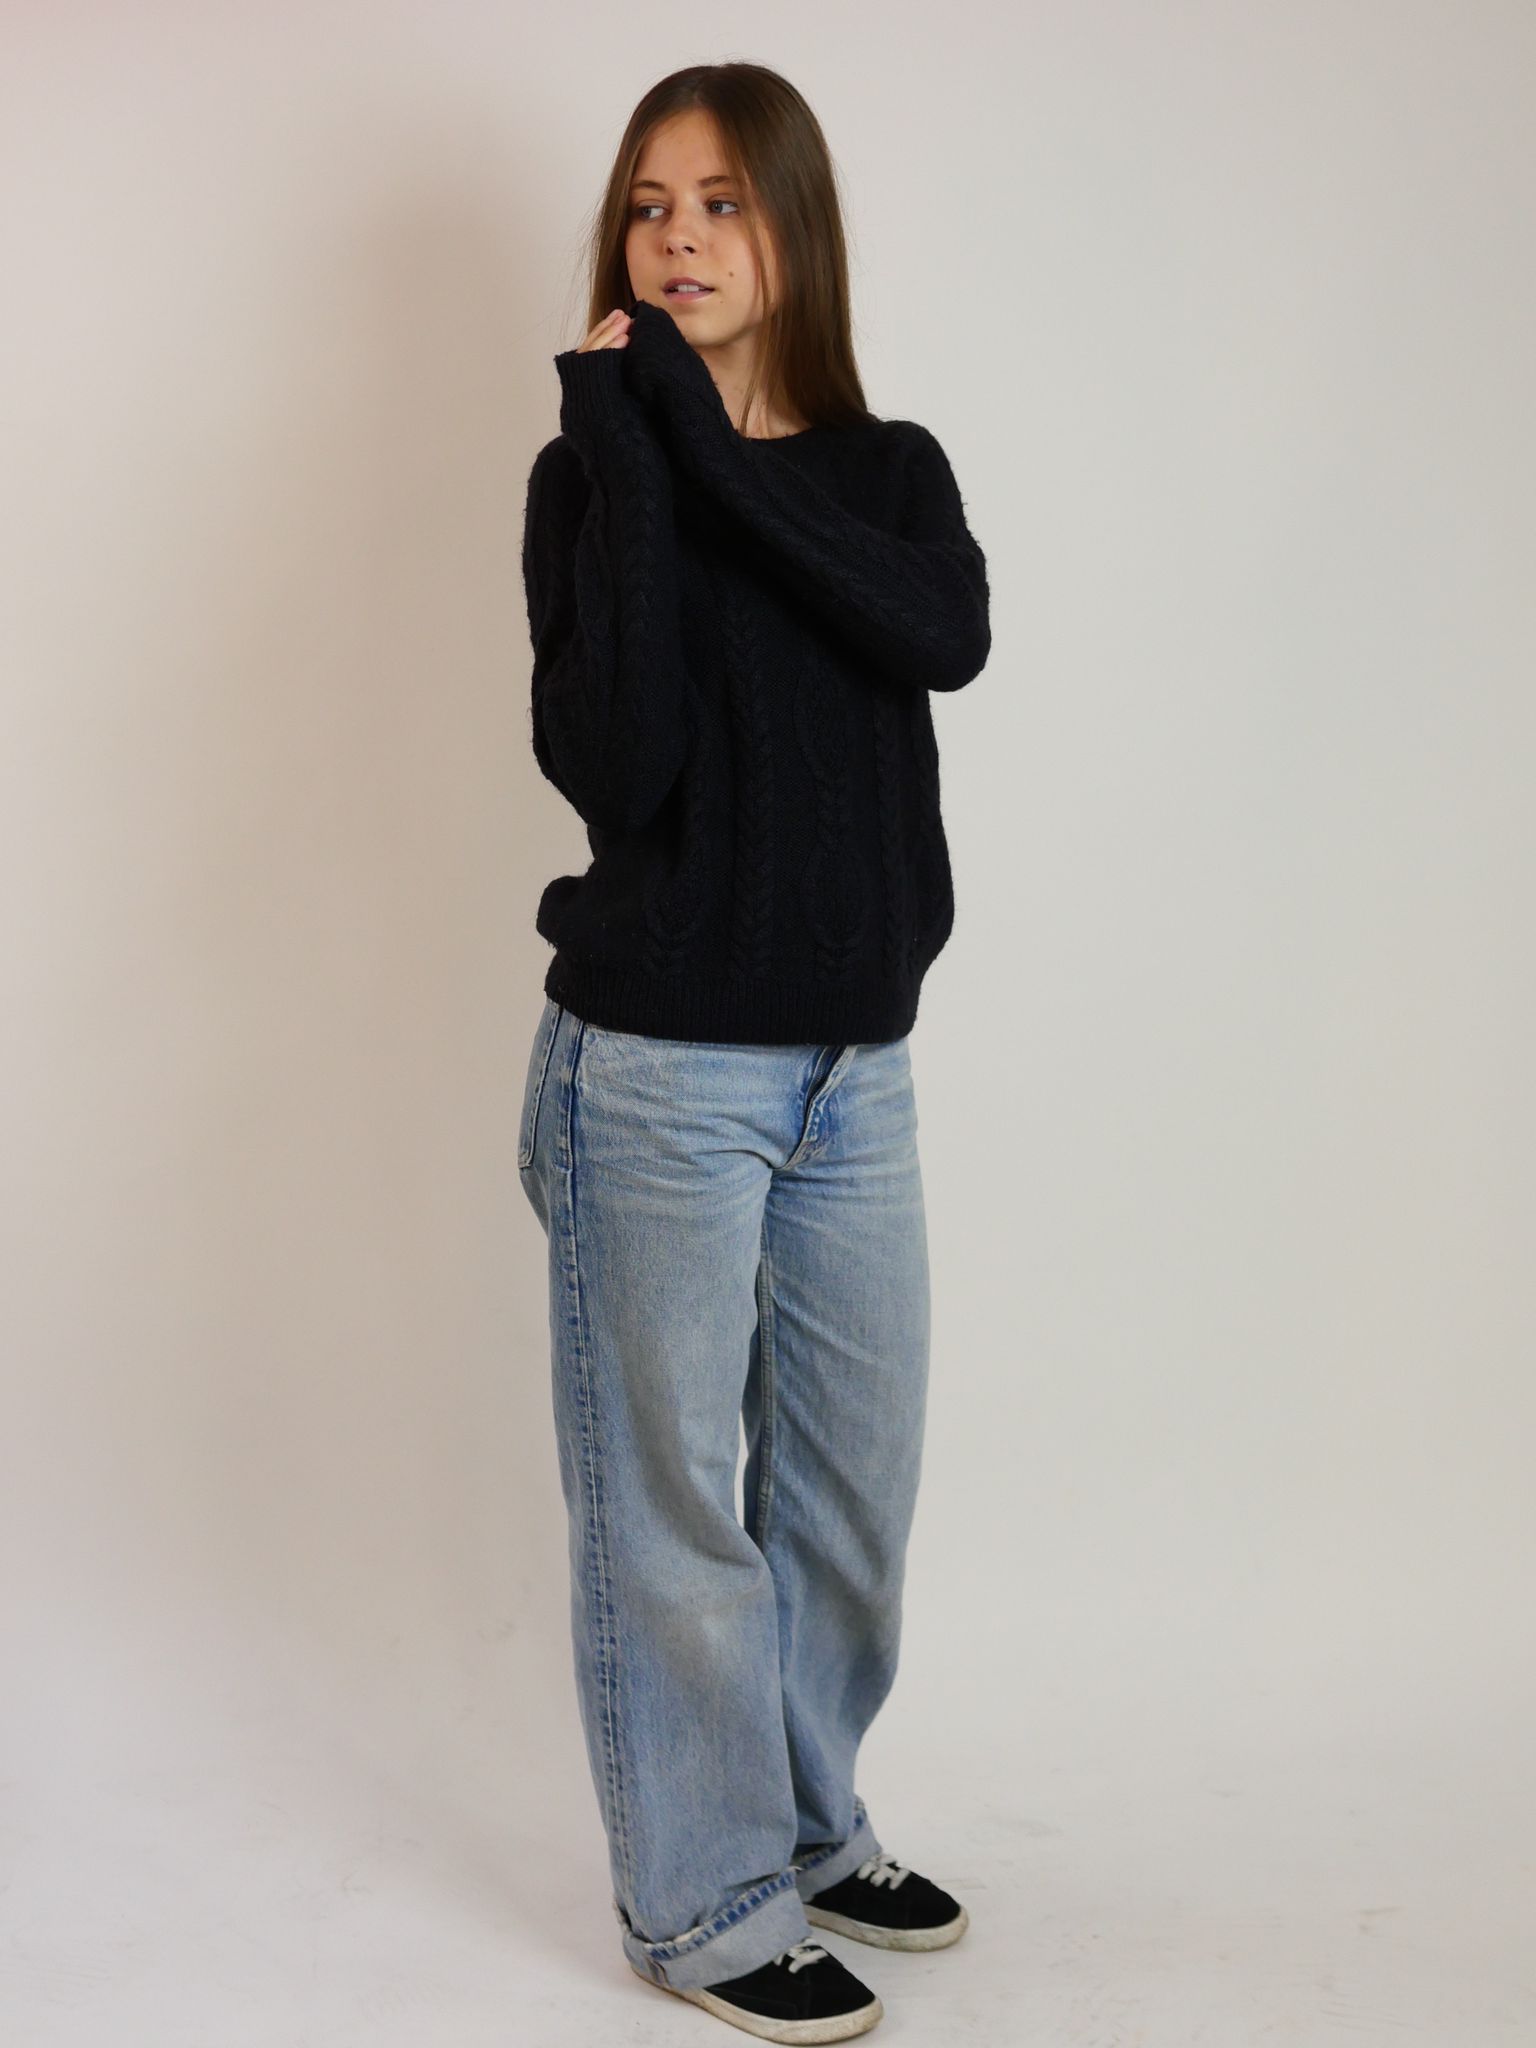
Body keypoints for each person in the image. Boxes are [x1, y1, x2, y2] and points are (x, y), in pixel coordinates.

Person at [517, 61, 990, 2043]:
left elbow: (941, 636)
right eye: (650, 205)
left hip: (853, 1075)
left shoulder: (889, 472)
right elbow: (611, 769)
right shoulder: (592, 478)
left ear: (794, 226)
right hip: (657, 1074)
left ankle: (804, 1824)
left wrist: (710, 452)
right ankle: (703, 1903)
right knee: (676, 1518)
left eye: (721, 200)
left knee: (847, 1499)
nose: (681, 237)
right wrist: (638, 455)